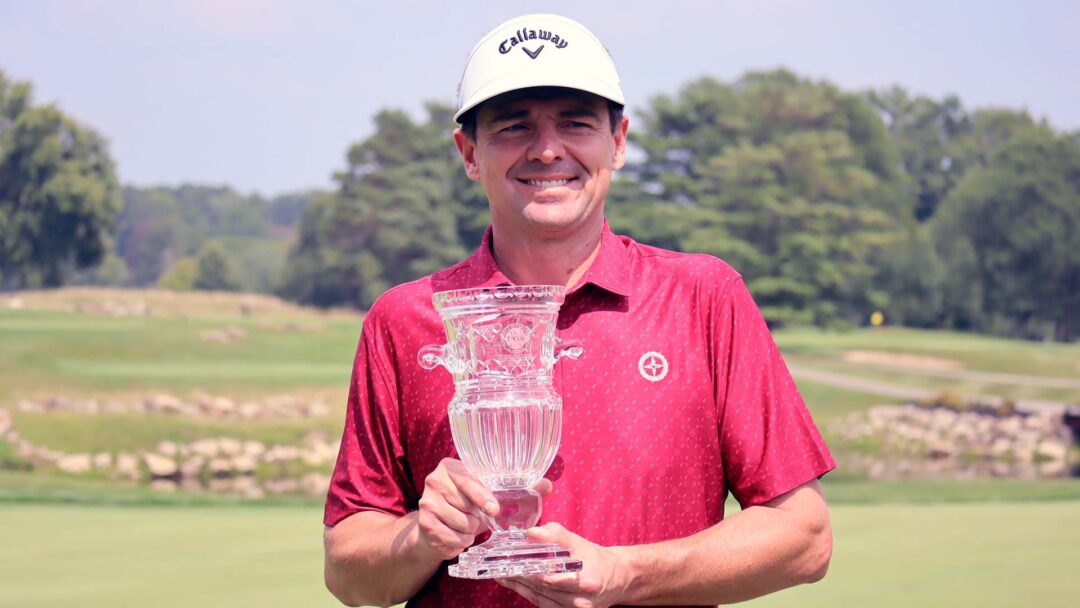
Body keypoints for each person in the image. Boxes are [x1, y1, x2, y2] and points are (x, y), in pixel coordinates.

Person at [323, 13, 835, 608]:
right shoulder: (405, 317)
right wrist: (422, 536)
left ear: (617, 143)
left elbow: (804, 538)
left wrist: (624, 574)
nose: (547, 149)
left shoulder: (703, 296)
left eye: (576, 123)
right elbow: (349, 576)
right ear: (469, 152)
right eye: (514, 126)